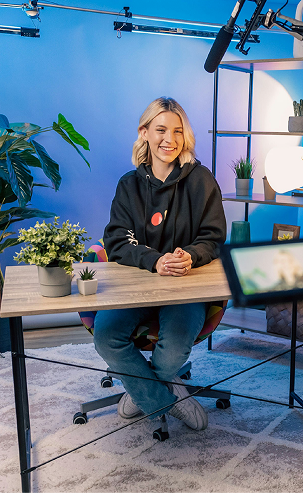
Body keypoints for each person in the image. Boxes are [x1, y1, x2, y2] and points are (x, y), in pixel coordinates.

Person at [93, 97, 227, 431]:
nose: (170, 139)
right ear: (145, 132)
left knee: (171, 353)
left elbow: (212, 237)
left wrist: (189, 256)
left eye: (178, 131)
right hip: (135, 287)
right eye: (161, 129)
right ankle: (165, 398)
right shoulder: (129, 185)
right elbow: (117, 242)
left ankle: (139, 390)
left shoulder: (201, 180)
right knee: (106, 336)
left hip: (185, 287)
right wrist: (155, 261)